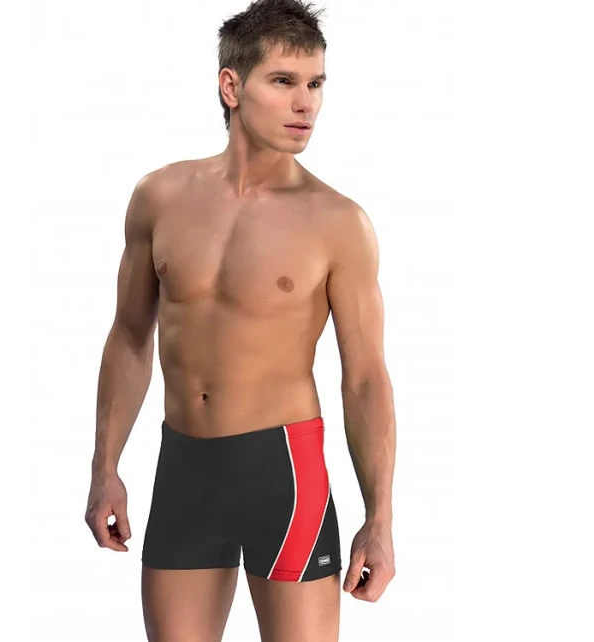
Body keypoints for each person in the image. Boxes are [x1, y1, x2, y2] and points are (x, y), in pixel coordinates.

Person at [85, 0, 396, 639]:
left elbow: (365, 377)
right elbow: (130, 336)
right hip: (182, 468)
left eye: (315, 84)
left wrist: (380, 517)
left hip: (283, 475)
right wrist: (105, 466)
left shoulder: (338, 222)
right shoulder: (160, 196)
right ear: (231, 86)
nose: (305, 104)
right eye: (283, 81)